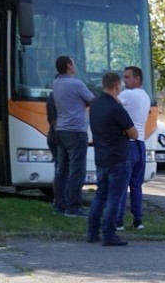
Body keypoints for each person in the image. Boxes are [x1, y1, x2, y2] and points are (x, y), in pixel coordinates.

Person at [86, 71, 138, 247]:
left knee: (100, 195)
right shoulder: (116, 108)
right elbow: (134, 133)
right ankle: (109, 233)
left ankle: (92, 232)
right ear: (117, 86)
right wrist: (122, 130)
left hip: (101, 156)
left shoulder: (95, 103)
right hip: (118, 158)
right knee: (115, 197)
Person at [51, 55, 94, 216]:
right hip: (76, 131)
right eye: (73, 63)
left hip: (61, 130)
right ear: (69, 66)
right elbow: (92, 100)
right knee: (77, 170)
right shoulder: (76, 83)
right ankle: (74, 206)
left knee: (61, 169)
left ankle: (59, 204)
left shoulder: (56, 83)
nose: (75, 65)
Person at [117, 66, 150, 231]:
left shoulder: (127, 94)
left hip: (128, 142)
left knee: (122, 183)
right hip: (141, 143)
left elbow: (112, 104)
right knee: (136, 185)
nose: (124, 81)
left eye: (127, 77)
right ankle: (138, 220)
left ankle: (118, 220)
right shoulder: (145, 96)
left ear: (137, 78)